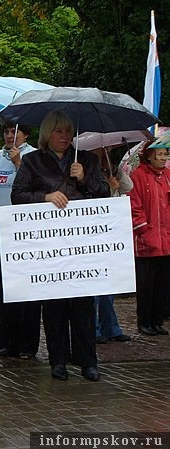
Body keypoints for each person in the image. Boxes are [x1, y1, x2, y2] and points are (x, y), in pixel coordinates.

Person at [11, 111, 110, 382]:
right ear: (47, 134)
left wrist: (84, 179)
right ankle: (58, 361)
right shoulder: (32, 162)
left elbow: (105, 193)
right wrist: (44, 196)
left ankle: (87, 360)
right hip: (49, 246)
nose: (65, 136)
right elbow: (17, 195)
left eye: (68, 131)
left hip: (81, 245)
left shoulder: (86, 160)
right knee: (54, 304)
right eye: (58, 131)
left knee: (83, 304)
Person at [0, 123, 41, 359]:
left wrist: (19, 165)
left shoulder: (34, 156)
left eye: (14, 131)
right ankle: (7, 342)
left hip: (23, 237)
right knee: (4, 294)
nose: (9, 135)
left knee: (25, 292)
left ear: (26, 134)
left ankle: (28, 345)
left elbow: (37, 190)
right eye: (6, 131)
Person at [128, 143, 170, 336]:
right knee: (146, 285)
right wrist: (142, 227)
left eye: (165, 154)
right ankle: (144, 321)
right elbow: (133, 204)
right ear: (150, 155)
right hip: (146, 239)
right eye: (160, 154)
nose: (163, 158)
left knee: (162, 283)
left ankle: (157, 321)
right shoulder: (138, 176)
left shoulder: (168, 176)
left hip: (166, 238)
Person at [92, 147, 132, 344]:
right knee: (93, 286)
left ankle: (111, 326)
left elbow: (128, 187)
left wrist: (113, 170)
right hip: (94, 233)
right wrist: (108, 187)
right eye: (101, 149)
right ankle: (94, 328)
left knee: (109, 283)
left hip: (112, 231)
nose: (104, 151)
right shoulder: (86, 170)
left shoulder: (110, 169)